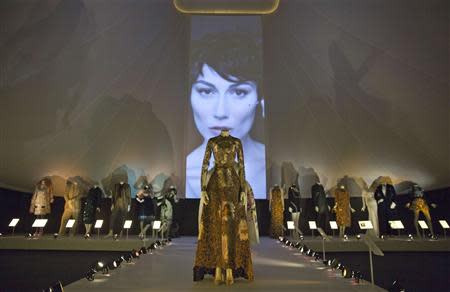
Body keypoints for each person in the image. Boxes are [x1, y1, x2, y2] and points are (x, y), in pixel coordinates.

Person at [186, 32, 266, 198]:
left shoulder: (272, 168)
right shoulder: (185, 175)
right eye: (206, 91)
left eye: (238, 92)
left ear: (260, 99)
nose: (220, 112)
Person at [193, 129, 253, 285]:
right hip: (215, 186)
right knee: (215, 227)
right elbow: (204, 165)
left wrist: (242, 190)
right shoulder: (212, 141)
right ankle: (218, 268)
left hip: (233, 184)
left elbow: (242, 166)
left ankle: (230, 269)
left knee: (231, 228)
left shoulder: (236, 142)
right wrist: (203, 189)